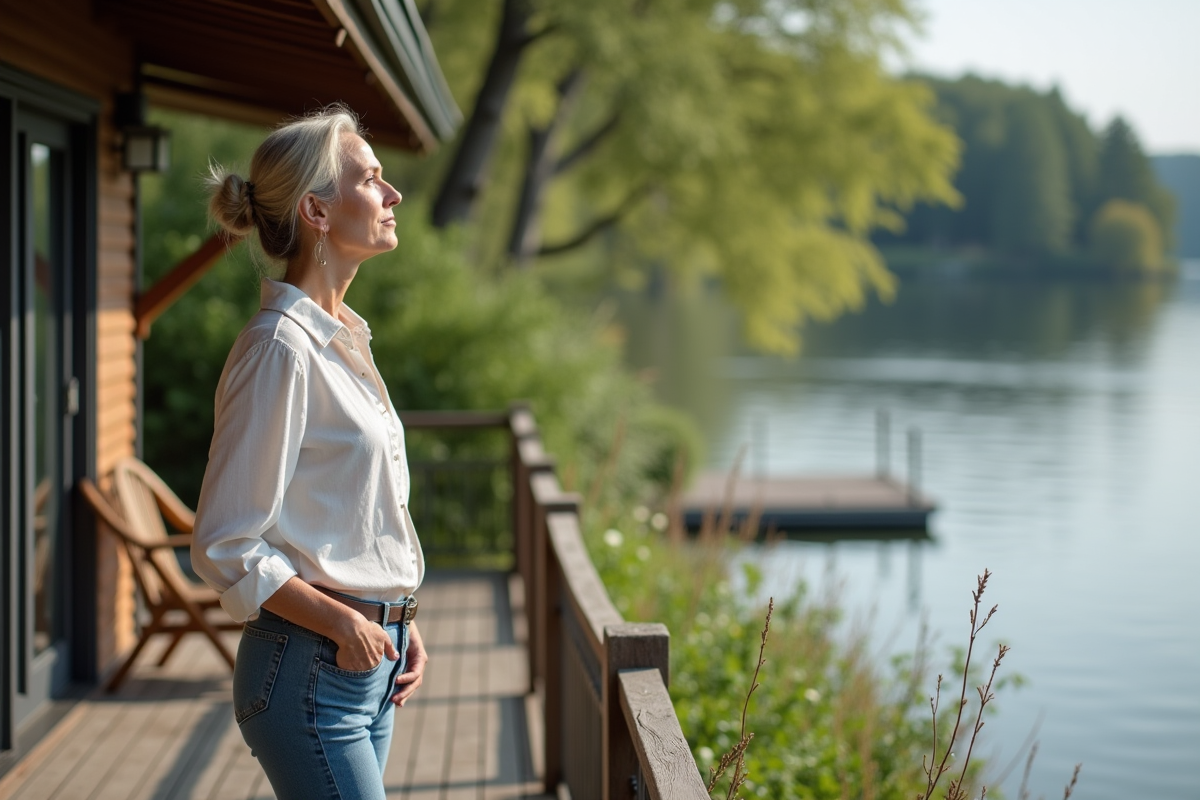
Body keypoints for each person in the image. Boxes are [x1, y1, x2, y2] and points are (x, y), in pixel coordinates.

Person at [191, 104, 426, 800]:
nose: (393, 195)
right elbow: (223, 541)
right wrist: (343, 620)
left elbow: (353, 516)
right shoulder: (279, 349)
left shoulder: (342, 339)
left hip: (368, 668)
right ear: (317, 212)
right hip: (309, 675)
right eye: (373, 179)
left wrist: (400, 615)